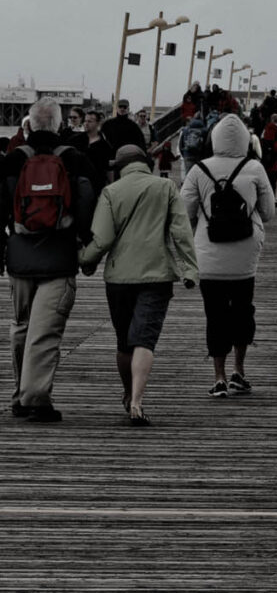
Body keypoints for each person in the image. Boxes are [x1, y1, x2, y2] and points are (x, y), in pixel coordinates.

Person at [81, 143, 198, 423]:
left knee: (124, 342)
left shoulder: (111, 192)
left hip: (119, 278)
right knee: (144, 339)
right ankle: (137, 401)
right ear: (147, 163)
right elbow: (181, 232)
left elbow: (103, 238)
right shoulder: (165, 188)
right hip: (156, 276)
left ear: (120, 167)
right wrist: (190, 270)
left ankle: (127, 391)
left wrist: (85, 261)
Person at [5, 99, 95, 422]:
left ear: (29, 124)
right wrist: (85, 240)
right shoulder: (73, 159)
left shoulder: (14, 159)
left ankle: (19, 394)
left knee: (21, 327)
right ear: (59, 125)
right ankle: (35, 398)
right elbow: (87, 197)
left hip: (19, 257)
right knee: (45, 330)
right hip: (59, 255)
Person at [179, 110, 275, 396]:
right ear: (245, 139)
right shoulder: (255, 168)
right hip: (245, 258)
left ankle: (218, 377)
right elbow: (268, 213)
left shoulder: (199, 170)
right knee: (243, 313)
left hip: (208, 256)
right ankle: (239, 371)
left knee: (215, 315)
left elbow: (185, 213)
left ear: (215, 138)